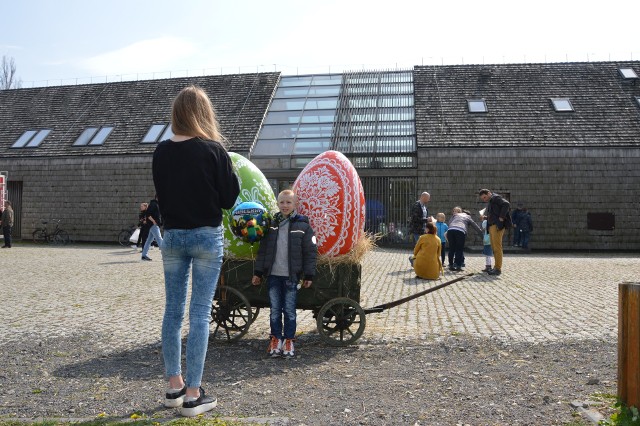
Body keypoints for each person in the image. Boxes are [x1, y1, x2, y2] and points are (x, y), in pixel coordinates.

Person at [152, 85, 240, 417]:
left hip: (173, 236)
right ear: (204, 114)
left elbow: (163, 195)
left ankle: (174, 385)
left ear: (176, 115)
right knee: (200, 313)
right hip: (206, 236)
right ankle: (193, 393)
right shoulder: (214, 150)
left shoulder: (160, 151)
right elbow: (230, 199)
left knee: (173, 312)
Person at [251, 189, 318, 358]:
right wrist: (258, 272)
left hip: (291, 277)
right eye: (282, 202)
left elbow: (310, 251)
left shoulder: (303, 226)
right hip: (273, 275)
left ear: (295, 204)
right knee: (274, 310)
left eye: (289, 202)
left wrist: (308, 275)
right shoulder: (270, 225)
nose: (285, 205)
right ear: (277, 204)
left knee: (289, 310)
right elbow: (263, 251)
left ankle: (289, 340)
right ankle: (276, 339)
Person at [478, 189, 511, 276]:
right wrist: (485, 217)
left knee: (497, 247)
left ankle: (497, 268)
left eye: (485, 197)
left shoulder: (495, 197)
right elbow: (493, 215)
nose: (484, 199)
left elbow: (506, 204)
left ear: (489, 193)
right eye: (483, 199)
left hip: (497, 226)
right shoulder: (491, 201)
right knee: (494, 247)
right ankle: (496, 267)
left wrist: (501, 217)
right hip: (492, 225)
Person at [446, 206, 482, 271]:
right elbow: (475, 226)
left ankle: (451, 265)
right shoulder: (468, 216)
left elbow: (450, 223)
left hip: (451, 230)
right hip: (460, 230)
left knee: (451, 249)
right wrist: (482, 235)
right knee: (459, 249)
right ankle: (458, 266)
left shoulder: (455, 215)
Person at [141, 196, 163, 261]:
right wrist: (154, 221)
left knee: (149, 241)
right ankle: (165, 255)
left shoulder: (156, 204)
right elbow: (148, 214)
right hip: (153, 225)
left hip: (152, 225)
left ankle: (144, 255)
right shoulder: (153, 204)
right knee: (159, 239)